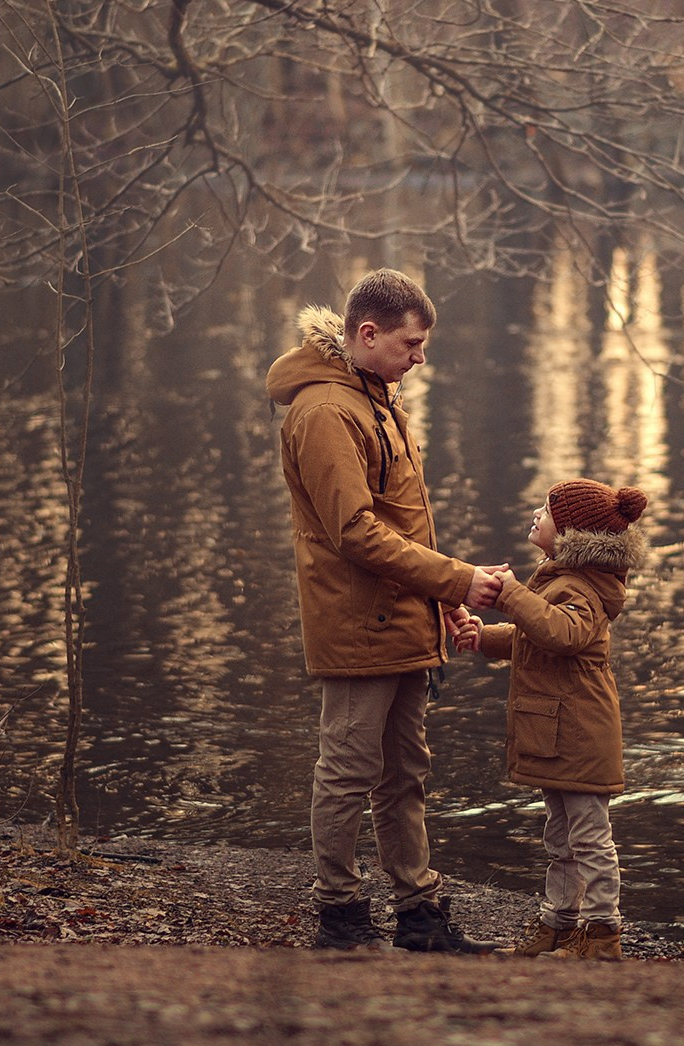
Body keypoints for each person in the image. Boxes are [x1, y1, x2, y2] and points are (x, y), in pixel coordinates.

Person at [265, 268, 507, 954]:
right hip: (354, 625)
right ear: (367, 334)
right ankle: (339, 913)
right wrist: (459, 580)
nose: (421, 356)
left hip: (403, 620)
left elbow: (401, 526)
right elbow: (356, 534)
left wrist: (443, 603)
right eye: (412, 342)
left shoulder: (376, 396)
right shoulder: (324, 413)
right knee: (347, 769)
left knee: (406, 771)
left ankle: (418, 914)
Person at [456, 478, 648, 961]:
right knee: (560, 837)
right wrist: (485, 637)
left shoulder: (578, 588)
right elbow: (533, 635)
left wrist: (512, 595)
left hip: (580, 734)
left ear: (571, 533)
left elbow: (563, 633)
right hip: (558, 731)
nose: (536, 514)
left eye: (546, 509)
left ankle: (602, 931)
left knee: (588, 837)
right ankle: (558, 925)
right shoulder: (560, 577)